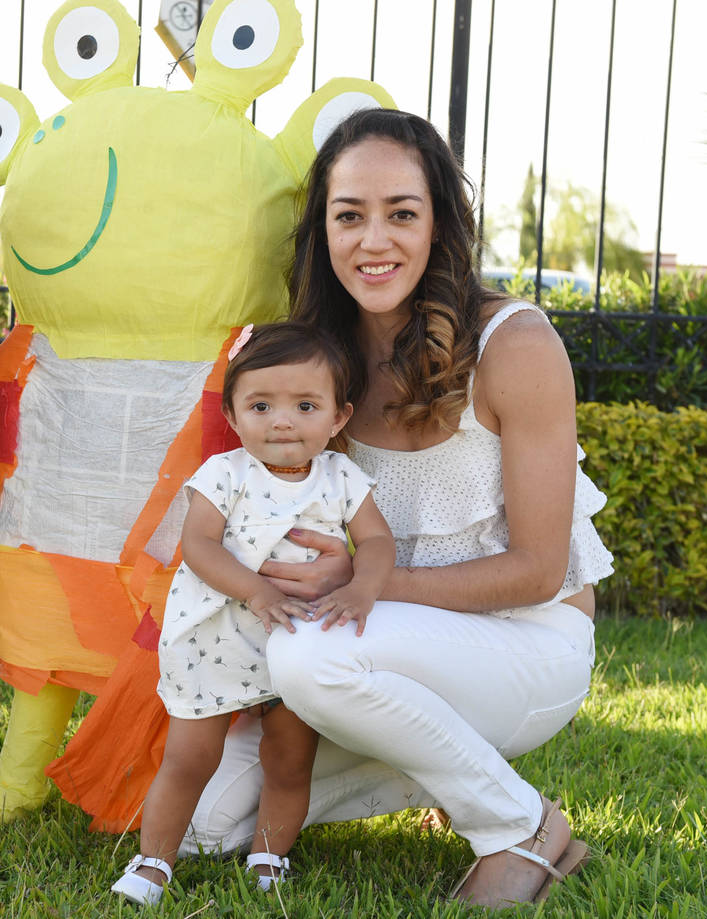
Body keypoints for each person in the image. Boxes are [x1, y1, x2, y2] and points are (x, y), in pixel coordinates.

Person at [182, 108, 614, 908]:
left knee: (311, 657)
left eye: (401, 214)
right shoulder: (316, 361)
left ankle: (520, 824)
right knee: (204, 825)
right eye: (350, 216)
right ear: (323, 231)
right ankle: (444, 769)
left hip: (528, 645)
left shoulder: (515, 345)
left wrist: (363, 581)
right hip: (383, 649)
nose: (373, 240)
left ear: (439, 223)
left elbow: (538, 570)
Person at [111, 323, 396, 905]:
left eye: (305, 406)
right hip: (216, 638)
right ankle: (153, 863)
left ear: (338, 417)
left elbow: (377, 541)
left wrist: (364, 587)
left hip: (296, 641)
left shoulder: (342, 477)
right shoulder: (225, 474)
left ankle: (269, 856)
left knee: (290, 761)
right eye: (261, 406)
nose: (282, 421)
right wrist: (256, 592)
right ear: (234, 416)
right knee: (190, 759)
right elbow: (199, 546)